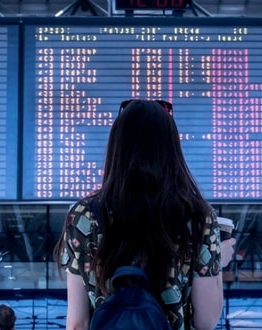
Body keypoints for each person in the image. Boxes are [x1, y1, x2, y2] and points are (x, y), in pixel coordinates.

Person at [55, 99, 236, 330]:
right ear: (170, 148)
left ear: (116, 147)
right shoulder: (197, 216)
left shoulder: (83, 215)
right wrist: (216, 261)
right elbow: (206, 321)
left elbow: (78, 323)